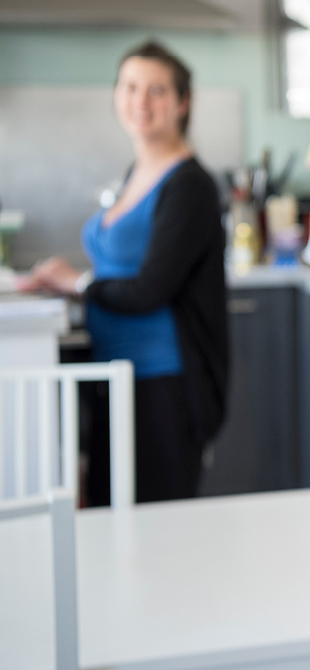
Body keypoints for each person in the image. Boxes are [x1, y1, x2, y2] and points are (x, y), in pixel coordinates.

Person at [19, 41, 229, 505]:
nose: (141, 101)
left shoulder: (190, 185)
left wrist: (77, 283)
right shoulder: (136, 172)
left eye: (157, 90)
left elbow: (151, 288)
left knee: (158, 539)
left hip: (163, 387)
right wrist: (62, 288)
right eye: (131, 87)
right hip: (117, 381)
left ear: (182, 102)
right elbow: (119, 273)